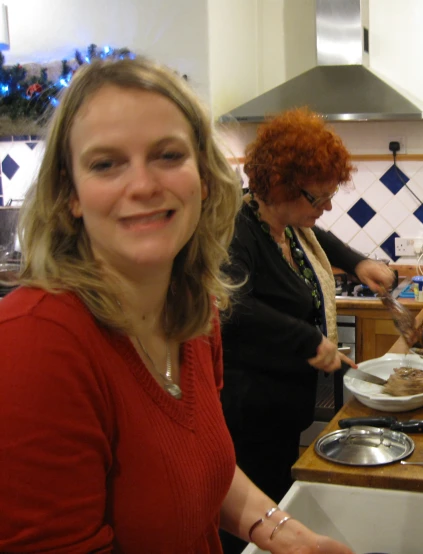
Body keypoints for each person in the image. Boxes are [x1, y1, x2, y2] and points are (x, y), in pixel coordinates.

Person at [0, 58, 353, 554]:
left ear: (204, 179)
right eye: (106, 163)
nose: (143, 185)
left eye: (168, 155)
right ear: (70, 194)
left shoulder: (192, 313)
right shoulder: (34, 346)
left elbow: (205, 464)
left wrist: (286, 535)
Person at [219, 108, 395, 553]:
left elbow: (322, 237)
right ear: (280, 187)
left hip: (282, 413)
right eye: (319, 198)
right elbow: (231, 305)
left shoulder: (288, 226)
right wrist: (307, 338)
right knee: (246, 535)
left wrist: (359, 262)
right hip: (247, 419)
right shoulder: (237, 233)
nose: (327, 207)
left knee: (278, 512)